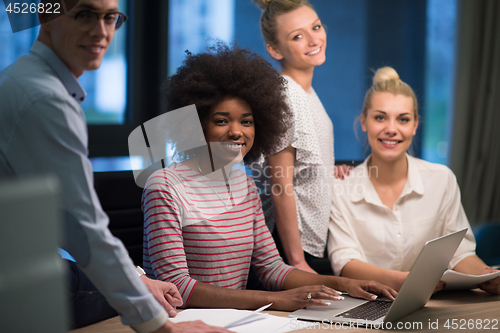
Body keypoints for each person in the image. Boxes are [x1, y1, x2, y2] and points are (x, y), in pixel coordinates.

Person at [0, 1, 232, 332]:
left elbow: (60, 223)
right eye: (84, 15)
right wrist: (162, 328)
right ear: (47, 15)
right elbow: (82, 227)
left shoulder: (30, 82)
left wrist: (139, 280)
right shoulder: (44, 99)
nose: (102, 31)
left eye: (111, 18)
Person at [142, 44, 397, 311]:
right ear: (196, 124)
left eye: (247, 121)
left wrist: (344, 284)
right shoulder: (165, 187)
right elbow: (177, 286)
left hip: (235, 323)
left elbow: (271, 268)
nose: (236, 132)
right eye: (221, 121)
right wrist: (274, 300)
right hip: (182, 324)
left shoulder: (244, 184)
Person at [327, 66, 500, 295]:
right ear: (364, 122)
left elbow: (459, 253)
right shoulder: (341, 187)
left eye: (403, 119)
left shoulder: (441, 180)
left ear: (415, 125)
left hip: (432, 303)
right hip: (366, 304)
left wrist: (486, 276)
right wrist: (402, 281)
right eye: (380, 117)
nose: (391, 129)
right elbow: (344, 262)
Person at [252, 0, 349, 275]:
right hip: (288, 247)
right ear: (274, 49)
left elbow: (297, 167)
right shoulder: (285, 96)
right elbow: (280, 185)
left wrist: (325, 172)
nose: (313, 39)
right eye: (297, 36)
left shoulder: (305, 93)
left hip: (303, 243)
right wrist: (296, 262)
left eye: (316, 27)